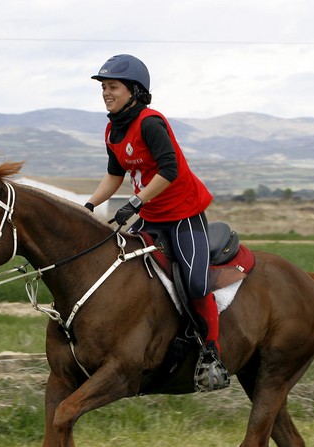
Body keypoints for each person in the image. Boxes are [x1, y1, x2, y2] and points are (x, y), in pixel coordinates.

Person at [84, 54, 229, 390]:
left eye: (113, 87)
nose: (106, 93)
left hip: (183, 216)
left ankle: (211, 355)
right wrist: (89, 205)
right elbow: (114, 175)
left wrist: (136, 201)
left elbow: (169, 170)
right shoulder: (113, 129)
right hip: (151, 216)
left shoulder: (150, 123)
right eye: (103, 87)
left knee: (195, 283)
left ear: (134, 91)